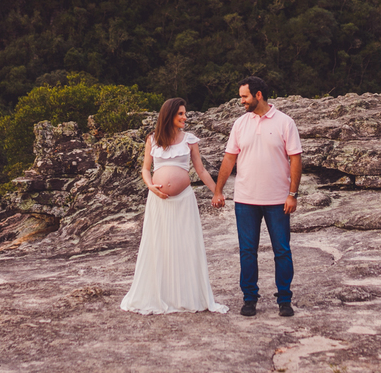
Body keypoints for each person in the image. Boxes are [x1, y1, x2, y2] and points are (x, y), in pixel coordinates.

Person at [120, 98, 228, 314]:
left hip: (184, 201)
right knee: (159, 246)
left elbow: (200, 170)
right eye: (180, 114)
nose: (185, 117)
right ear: (169, 115)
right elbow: (145, 169)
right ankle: (161, 294)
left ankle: (186, 296)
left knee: (185, 246)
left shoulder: (189, 140)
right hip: (158, 202)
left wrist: (217, 192)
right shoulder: (153, 139)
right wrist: (151, 186)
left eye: (184, 113)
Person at [211, 76, 303, 317]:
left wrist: (292, 194)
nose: (241, 101)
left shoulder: (285, 122)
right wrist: (218, 190)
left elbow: (295, 159)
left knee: (282, 251)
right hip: (245, 200)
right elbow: (229, 158)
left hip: (278, 200)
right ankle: (249, 298)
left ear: (258, 95)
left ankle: (285, 300)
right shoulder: (240, 124)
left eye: (244, 96)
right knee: (247, 251)